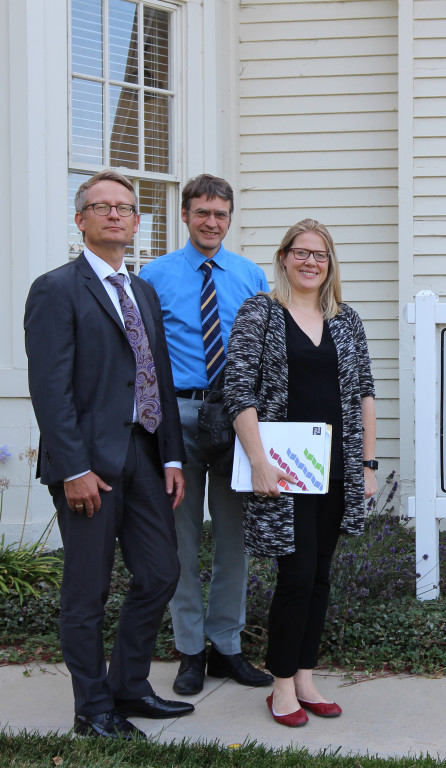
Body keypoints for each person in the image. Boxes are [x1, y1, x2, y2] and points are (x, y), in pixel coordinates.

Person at [24, 170, 194, 740]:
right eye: (102, 207)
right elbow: (50, 388)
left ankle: (129, 685)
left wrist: (172, 458)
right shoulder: (56, 288)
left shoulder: (141, 289)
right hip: (89, 467)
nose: (115, 215)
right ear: (81, 220)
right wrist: (73, 468)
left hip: (145, 456)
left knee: (160, 573)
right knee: (87, 589)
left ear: (137, 222)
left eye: (124, 207)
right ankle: (92, 709)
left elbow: (158, 379)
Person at [223, 219, 377, 727]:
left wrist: (368, 465)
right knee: (294, 575)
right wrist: (259, 461)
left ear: (330, 265)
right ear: (284, 257)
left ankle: (307, 676)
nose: (311, 262)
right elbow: (239, 390)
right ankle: (281, 685)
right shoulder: (260, 313)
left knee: (319, 575)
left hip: (335, 468)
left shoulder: (346, 319)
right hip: (283, 470)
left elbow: (365, 395)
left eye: (321, 255)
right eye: (301, 252)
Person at [138, 175, 272, 696]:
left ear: (230, 218)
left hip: (238, 416)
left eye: (220, 214)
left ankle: (228, 647)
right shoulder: (154, 275)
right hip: (179, 416)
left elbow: (264, 351)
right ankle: (190, 651)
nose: (211, 222)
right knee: (182, 540)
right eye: (201, 213)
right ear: (186, 215)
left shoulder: (251, 275)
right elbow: (143, 355)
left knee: (234, 541)